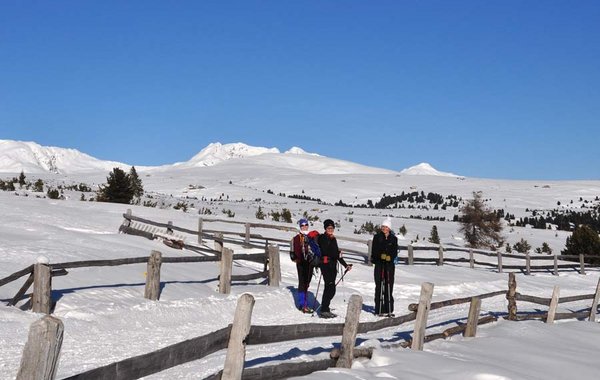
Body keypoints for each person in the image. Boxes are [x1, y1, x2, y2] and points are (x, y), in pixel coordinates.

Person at [317, 219, 352, 318]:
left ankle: (325, 308)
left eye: (332, 228)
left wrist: (346, 265)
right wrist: (337, 253)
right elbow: (326, 251)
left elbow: (337, 255)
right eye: (328, 228)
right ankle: (324, 310)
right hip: (326, 265)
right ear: (325, 228)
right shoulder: (323, 238)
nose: (330, 229)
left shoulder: (333, 238)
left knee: (331, 288)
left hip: (332, 266)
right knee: (329, 287)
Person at [371, 217, 398, 316]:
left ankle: (389, 308)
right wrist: (380, 256)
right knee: (379, 286)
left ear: (389, 228)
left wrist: (390, 257)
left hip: (389, 265)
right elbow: (374, 251)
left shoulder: (393, 239)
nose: (384, 228)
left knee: (388, 286)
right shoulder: (377, 237)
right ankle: (379, 309)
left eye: (386, 227)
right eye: (383, 226)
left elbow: (394, 251)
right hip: (379, 264)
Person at [290, 218, 315, 313]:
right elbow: (292, 253)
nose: (304, 227)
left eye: (306, 225)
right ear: (300, 227)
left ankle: (305, 303)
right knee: (302, 283)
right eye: (302, 225)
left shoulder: (312, 237)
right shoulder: (296, 238)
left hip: (310, 263)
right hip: (301, 263)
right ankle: (302, 304)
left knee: (307, 283)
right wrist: (296, 259)